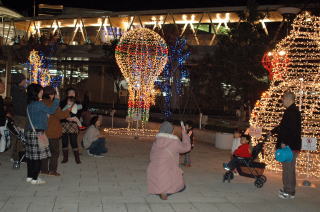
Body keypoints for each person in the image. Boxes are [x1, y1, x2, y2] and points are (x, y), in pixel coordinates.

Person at [147, 121, 191, 200]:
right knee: (182, 187)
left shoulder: (156, 141)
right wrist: (184, 134)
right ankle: (165, 191)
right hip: (166, 173)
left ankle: (160, 189)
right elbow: (187, 147)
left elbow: (151, 156)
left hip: (153, 174)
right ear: (171, 131)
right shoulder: (174, 141)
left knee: (164, 168)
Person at [25, 84, 59, 185]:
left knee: (31, 157)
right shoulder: (39, 104)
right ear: (36, 92)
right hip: (38, 133)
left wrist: (44, 117)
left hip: (30, 132)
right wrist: (56, 99)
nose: (42, 92)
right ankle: (35, 179)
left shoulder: (30, 104)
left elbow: (36, 117)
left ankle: (30, 177)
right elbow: (52, 110)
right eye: (40, 91)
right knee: (38, 158)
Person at [269, 91, 301, 199]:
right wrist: (272, 132)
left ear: (288, 99)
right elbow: (283, 127)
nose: (282, 100)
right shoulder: (292, 111)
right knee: (289, 168)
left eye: (283, 98)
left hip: (289, 146)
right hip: (292, 146)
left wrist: (285, 143)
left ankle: (288, 191)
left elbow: (291, 130)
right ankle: (290, 190)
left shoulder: (291, 112)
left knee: (288, 169)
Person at [40, 86, 70, 176]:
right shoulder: (52, 105)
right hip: (52, 133)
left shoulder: (40, 103)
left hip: (42, 132)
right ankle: (52, 170)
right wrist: (68, 109)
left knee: (44, 152)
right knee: (54, 152)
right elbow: (61, 115)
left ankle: (44, 170)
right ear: (51, 95)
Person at [60, 88, 82, 164]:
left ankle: (77, 158)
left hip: (73, 123)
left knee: (73, 141)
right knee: (64, 141)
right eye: (70, 92)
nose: (72, 94)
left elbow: (79, 113)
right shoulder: (63, 102)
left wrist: (74, 118)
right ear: (67, 94)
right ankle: (65, 158)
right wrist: (66, 117)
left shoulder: (78, 102)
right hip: (64, 123)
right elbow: (60, 112)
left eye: (73, 92)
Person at [11, 73, 27, 163]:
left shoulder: (16, 90)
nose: (25, 82)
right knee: (20, 137)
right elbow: (23, 105)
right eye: (24, 80)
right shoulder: (20, 92)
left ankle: (15, 155)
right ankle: (18, 157)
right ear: (20, 81)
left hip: (17, 116)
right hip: (21, 116)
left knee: (17, 136)